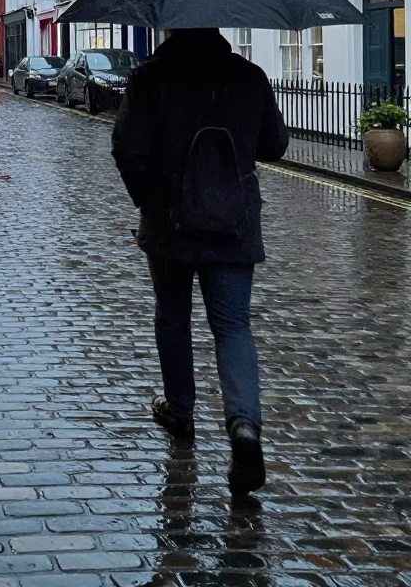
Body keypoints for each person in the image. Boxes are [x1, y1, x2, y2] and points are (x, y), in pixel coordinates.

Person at [111, 27, 288, 496]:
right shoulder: (250, 77)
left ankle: (181, 410)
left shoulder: (150, 79)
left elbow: (127, 147)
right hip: (233, 221)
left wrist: (149, 197)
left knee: (173, 317)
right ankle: (244, 427)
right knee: (233, 326)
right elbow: (274, 145)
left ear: (171, 27)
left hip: (169, 221)